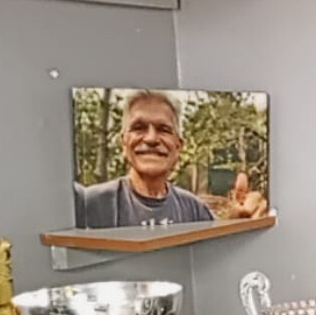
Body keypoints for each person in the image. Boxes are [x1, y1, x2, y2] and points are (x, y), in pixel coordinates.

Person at [79, 90, 214, 228]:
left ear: (178, 146)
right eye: (139, 128)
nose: (151, 139)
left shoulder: (196, 212)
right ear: (124, 143)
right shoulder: (90, 205)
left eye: (163, 129)